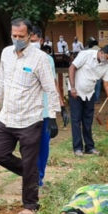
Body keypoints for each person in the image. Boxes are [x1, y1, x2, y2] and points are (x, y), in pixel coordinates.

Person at [0, 18, 60, 214]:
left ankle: (30, 204)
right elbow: (1, 82)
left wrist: (52, 116)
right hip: (7, 116)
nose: (17, 39)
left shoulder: (40, 59)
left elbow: (49, 89)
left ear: (29, 36)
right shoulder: (5, 54)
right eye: (14, 36)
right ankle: (31, 174)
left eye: (21, 36)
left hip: (30, 119)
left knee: (29, 161)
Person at [30, 26, 66, 187]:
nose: (31, 44)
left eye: (34, 41)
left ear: (41, 41)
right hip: (26, 110)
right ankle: (29, 175)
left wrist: (60, 105)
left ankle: (39, 176)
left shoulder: (47, 60)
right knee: (29, 146)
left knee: (43, 145)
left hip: (44, 110)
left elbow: (52, 84)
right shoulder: (19, 58)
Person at [68, 45, 108, 156]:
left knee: (88, 121)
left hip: (89, 94)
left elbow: (107, 84)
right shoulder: (86, 55)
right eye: (107, 57)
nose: (107, 59)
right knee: (76, 121)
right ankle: (77, 148)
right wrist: (72, 87)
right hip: (76, 92)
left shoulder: (106, 65)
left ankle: (89, 147)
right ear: (101, 52)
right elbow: (72, 68)